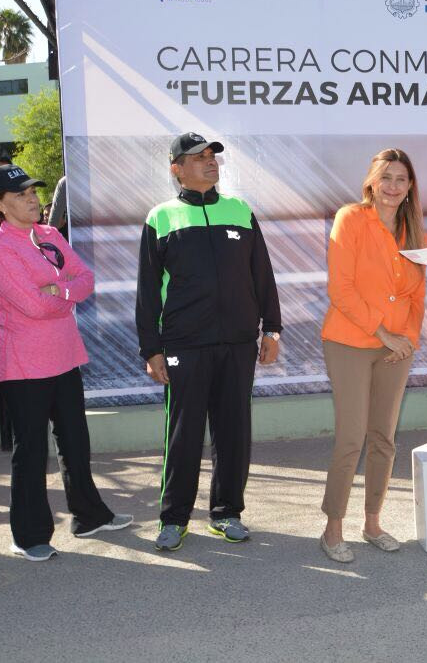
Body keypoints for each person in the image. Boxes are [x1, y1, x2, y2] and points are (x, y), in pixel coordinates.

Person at [136, 132, 282, 552]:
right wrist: (152, 348)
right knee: (182, 434)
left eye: (211, 156)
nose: (208, 162)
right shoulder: (161, 217)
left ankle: (227, 513)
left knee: (234, 430)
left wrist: (270, 329)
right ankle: (173, 518)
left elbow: (262, 276)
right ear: (176, 169)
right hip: (184, 343)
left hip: (238, 342)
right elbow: (147, 292)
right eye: (197, 158)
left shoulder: (239, 211)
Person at [0, 165, 132, 561]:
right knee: (30, 452)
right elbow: (33, 305)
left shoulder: (49, 235)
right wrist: (64, 293)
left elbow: (86, 279)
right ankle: (29, 535)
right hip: (24, 365)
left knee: (75, 442)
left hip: (65, 355)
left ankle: (88, 516)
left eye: (33, 191)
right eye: (21, 195)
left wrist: (58, 288)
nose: (33, 199)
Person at [318, 149, 426, 564]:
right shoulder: (351, 218)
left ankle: (373, 522)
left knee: (384, 437)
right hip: (349, 341)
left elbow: (417, 294)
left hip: (396, 347)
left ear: (410, 186)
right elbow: (340, 289)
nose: (393, 187)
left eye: (401, 179)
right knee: (351, 436)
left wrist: (407, 339)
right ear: (371, 181)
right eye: (386, 178)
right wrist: (383, 332)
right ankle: (332, 528)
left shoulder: (413, 230)